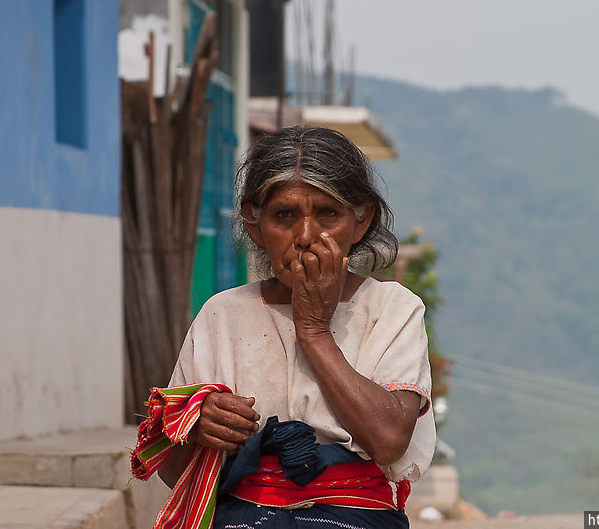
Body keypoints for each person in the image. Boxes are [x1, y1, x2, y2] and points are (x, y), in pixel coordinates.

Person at [158, 126, 435, 529]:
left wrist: (314, 331)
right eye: (284, 216)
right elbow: (173, 472)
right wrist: (200, 427)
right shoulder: (223, 314)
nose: (306, 237)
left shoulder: (392, 309)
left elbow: (389, 441)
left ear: (361, 222)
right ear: (255, 225)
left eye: (328, 214)